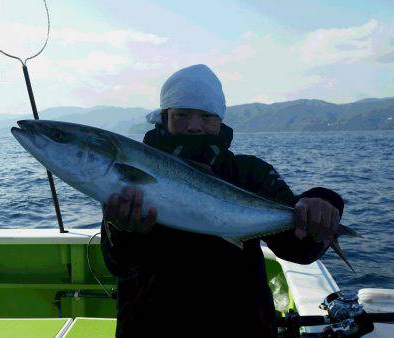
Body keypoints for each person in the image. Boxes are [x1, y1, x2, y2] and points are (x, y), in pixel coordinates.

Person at [100, 64, 344, 337]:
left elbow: (298, 250)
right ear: (165, 117)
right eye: (181, 115)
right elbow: (116, 264)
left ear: (219, 120)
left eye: (206, 116)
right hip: (151, 326)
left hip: (239, 326)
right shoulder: (137, 174)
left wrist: (321, 203)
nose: (194, 126)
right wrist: (122, 230)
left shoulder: (250, 173)